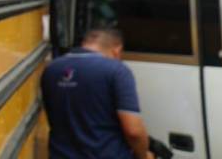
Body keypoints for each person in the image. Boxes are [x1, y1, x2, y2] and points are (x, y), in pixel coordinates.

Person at [41, 28, 152, 159]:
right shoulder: (116, 70)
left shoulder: (52, 69)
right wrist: (143, 155)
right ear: (117, 49)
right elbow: (133, 131)